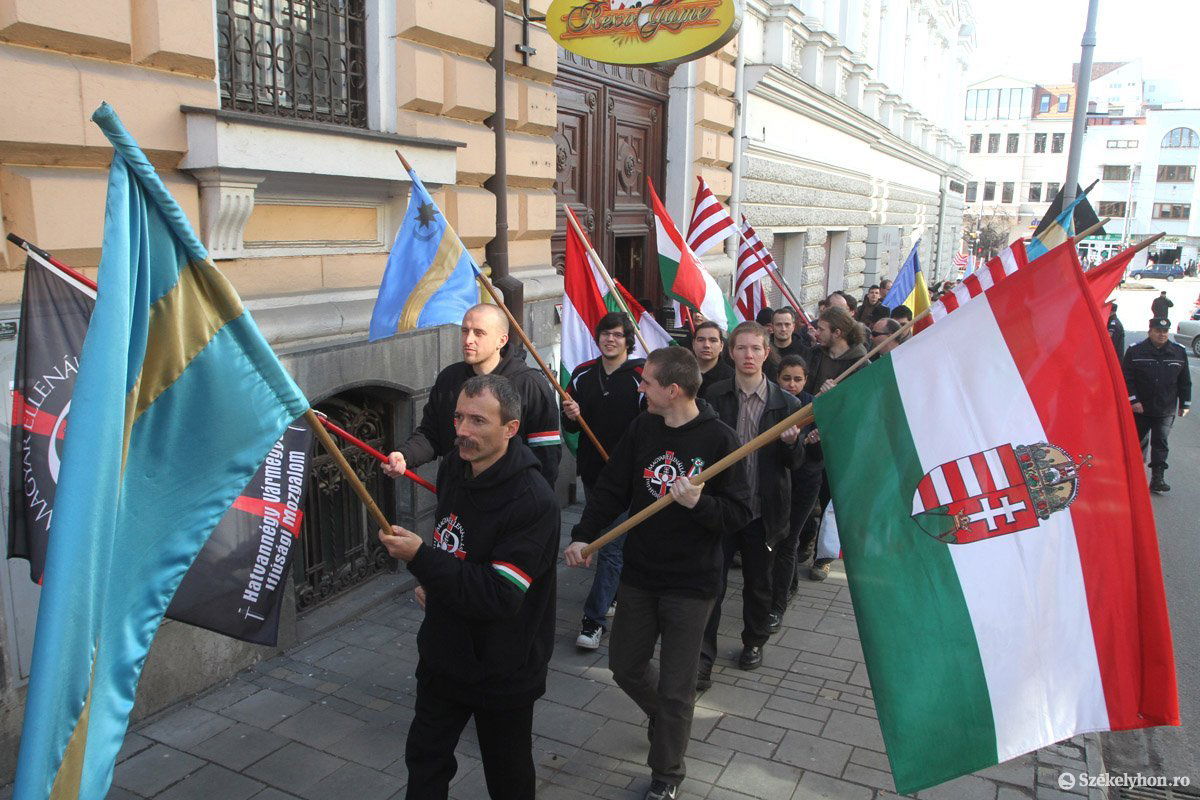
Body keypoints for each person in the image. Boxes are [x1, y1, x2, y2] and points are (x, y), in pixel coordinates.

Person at [564, 347, 752, 800]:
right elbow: (612, 487)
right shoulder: (643, 427)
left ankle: (667, 772)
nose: (640, 388)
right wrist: (583, 535)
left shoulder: (720, 440)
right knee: (625, 666)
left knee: (676, 685)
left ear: (673, 389)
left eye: (646, 382)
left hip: (692, 583)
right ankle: (665, 718)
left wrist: (699, 503)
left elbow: (740, 513)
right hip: (641, 573)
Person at [378, 375, 560, 800]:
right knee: (425, 758)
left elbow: (499, 594)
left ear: (510, 429)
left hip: (503, 665)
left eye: (478, 421)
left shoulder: (533, 500)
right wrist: (429, 579)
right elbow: (452, 545)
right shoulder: (454, 468)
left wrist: (422, 558)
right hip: (443, 654)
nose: (461, 431)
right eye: (458, 417)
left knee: (508, 774)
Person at [700, 322, 804, 678]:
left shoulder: (786, 403)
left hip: (763, 509)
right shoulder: (713, 396)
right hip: (723, 507)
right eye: (742, 348)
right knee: (713, 581)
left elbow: (795, 465)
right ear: (731, 352)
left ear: (766, 353)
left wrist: (792, 444)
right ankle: (702, 655)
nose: (748, 355)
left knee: (759, 583)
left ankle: (754, 641)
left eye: (755, 349)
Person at [385, 304, 561, 489]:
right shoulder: (449, 378)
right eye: (464, 331)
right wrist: (405, 456)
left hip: (511, 501)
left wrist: (531, 504)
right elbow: (431, 434)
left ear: (501, 340)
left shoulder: (530, 385)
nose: (468, 339)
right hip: (458, 495)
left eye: (479, 333)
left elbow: (546, 457)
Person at [562, 312, 646, 650]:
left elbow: (650, 426)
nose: (610, 340)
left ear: (628, 339)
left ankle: (592, 621)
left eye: (616, 334)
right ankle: (613, 594)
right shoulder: (582, 374)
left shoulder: (641, 376)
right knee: (608, 540)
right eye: (604, 334)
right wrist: (571, 417)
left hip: (628, 479)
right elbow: (569, 429)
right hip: (594, 474)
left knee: (610, 548)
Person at [804, 308, 868, 580]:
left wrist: (838, 396)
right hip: (811, 435)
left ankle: (824, 556)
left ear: (838, 332)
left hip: (840, 441)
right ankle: (805, 539)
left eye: (822, 328)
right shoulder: (816, 355)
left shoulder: (860, 363)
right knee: (807, 492)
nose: (816, 332)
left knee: (832, 499)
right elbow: (805, 389)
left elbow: (860, 408)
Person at [770, 355, 823, 626]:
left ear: (806, 380)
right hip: (778, 481)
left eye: (798, 379)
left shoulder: (815, 405)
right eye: (786, 378)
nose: (791, 385)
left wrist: (814, 442)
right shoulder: (772, 403)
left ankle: (778, 604)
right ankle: (786, 584)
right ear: (778, 377)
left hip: (804, 482)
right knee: (777, 540)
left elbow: (823, 454)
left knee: (789, 540)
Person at [1123, 318, 1191, 493]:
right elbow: (1127, 379)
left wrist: (1185, 403)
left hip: (1165, 408)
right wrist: (1133, 400)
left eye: (1165, 332)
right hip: (1140, 408)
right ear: (1150, 332)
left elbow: (1184, 381)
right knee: (1134, 442)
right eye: (1158, 331)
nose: (1162, 335)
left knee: (1160, 443)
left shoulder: (1178, 352)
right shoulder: (1136, 351)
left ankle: (1157, 478)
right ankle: (1131, 477)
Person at [692, 320, 734, 396]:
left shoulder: (732, 378)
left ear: (721, 346)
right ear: (693, 344)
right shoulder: (680, 374)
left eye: (713, 340)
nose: (706, 345)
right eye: (701, 340)